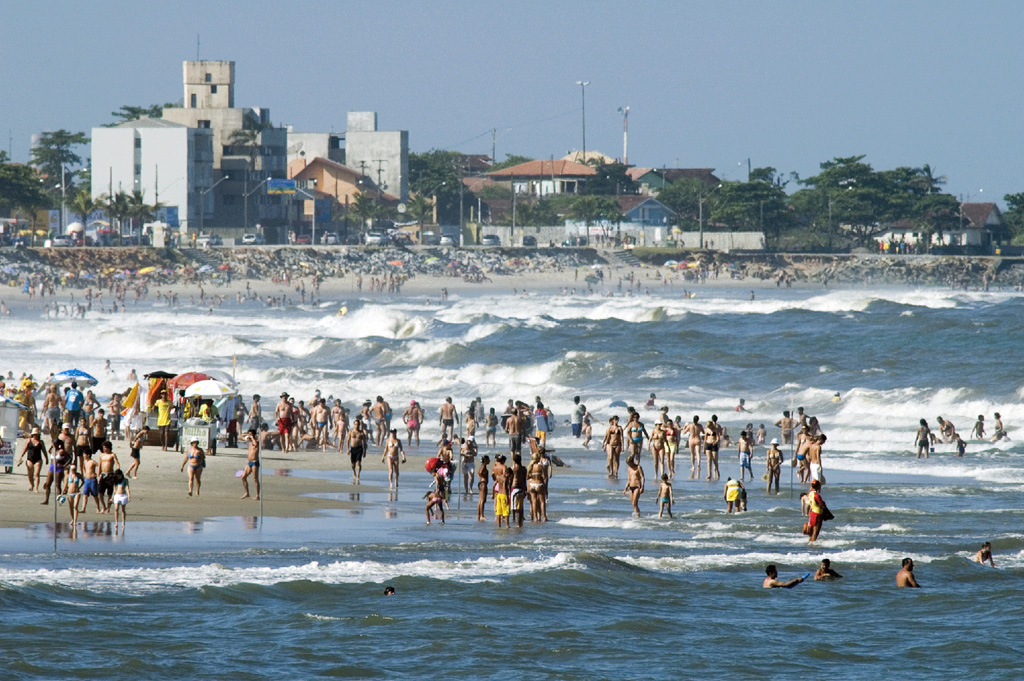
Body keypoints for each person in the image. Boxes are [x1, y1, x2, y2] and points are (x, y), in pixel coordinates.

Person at [17, 427, 47, 492]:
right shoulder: (29, 441)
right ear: (32, 434)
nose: (36, 435)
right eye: (34, 434)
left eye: (37, 434)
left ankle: (36, 488)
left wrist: (46, 458)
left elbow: (44, 451)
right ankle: (32, 485)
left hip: (38, 459)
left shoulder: (41, 442)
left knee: (37, 474)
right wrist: (21, 457)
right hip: (29, 459)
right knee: (30, 473)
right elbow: (24, 449)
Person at [527, 452, 548, 522]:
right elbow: (544, 476)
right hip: (538, 483)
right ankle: (544, 517)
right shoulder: (540, 466)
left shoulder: (530, 466)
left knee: (534, 501)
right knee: (542, 501)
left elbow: (527, 477)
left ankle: (535, 517)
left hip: (532, 484)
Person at [240, 428, 261, 500]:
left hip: (255, 462)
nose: (249, 435)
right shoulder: (249, 442)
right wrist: (246, 435)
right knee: (243, 477)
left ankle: (258, 495)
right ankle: (247, 493)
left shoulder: (256, 442)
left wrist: (252, 438)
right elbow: (240, 437)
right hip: (249, 462)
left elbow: (255, 444)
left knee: (255, 479)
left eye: (251, 434)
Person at [347, 417, 368, 483]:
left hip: (359, 448)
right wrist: (348, 449)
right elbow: (348, 441)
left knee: (358, 462)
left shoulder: (362, 433)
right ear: (354, 425)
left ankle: (358, 475)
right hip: (353, 448)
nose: (357, 426)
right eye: (355, 424)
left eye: (358, 424)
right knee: (353, 464)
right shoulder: (351, 432)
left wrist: (364, 451)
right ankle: (354, 472)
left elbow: (364, 442)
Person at [493, 454, 510, 528]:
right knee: (504, 503)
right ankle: (503, 517)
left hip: (497, 482)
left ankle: (497, 516)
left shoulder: (494, 467)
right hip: (502, 484)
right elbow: (504, 475)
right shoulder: (503, 467)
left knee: (496, 501)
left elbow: (493, 475)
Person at [476, 455, 490, 521]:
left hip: (481, 483)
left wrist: (480, 478)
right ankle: (481, 515)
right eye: (488, 459)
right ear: (486, 460)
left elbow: (478, 473)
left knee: (480, 500)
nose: (489, 461)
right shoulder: (483, 466)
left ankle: (479, 515)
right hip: (483, 483)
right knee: (482, 500)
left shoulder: (481, 466)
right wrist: (482, 478)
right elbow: (479, 473)